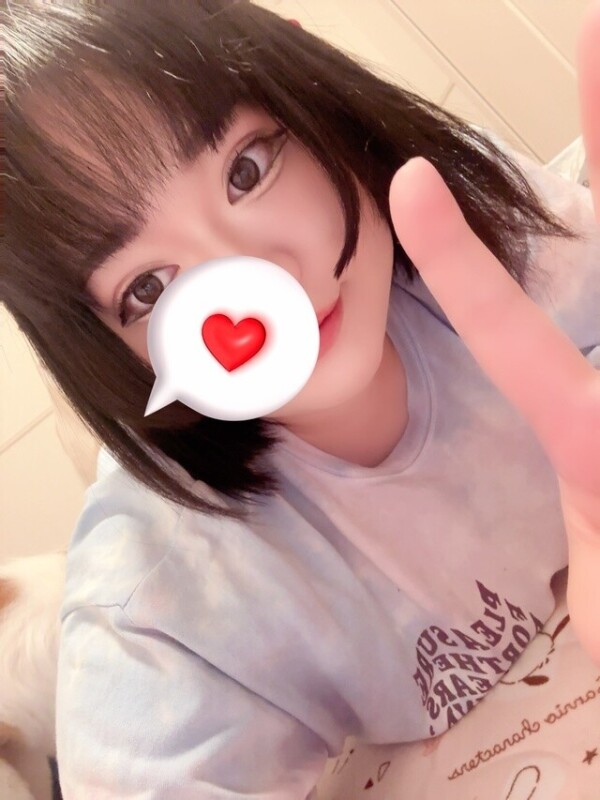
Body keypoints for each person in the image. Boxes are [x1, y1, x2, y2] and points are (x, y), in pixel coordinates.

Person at [3, 1, 600, 797]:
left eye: (246, 170)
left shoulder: (470, 230)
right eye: (147, 288)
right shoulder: (172, 591)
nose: (260, 286)